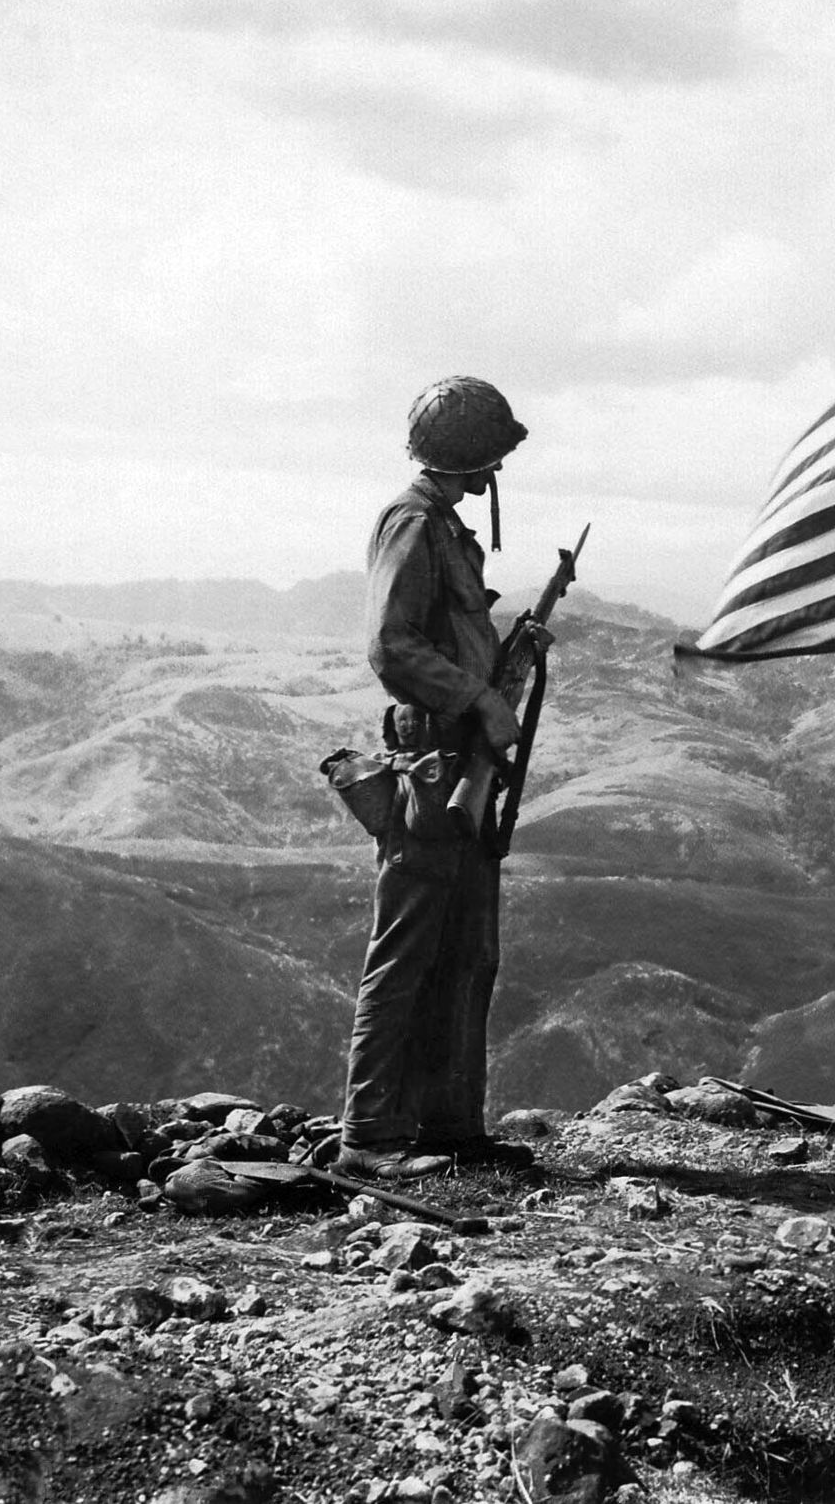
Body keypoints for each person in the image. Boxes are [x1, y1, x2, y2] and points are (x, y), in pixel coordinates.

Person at [337, 376, 536, 1181]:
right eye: (491, 454)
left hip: (464, 761)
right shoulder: (415, 523)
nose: (497, 468)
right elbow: (390, 645)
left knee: (466, 951)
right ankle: (369, 1136)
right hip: (434, 766)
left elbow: (446, 638)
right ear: (472, 457)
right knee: (408, 949)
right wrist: (480, 697)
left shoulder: (445, 526)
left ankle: (451, 1126)